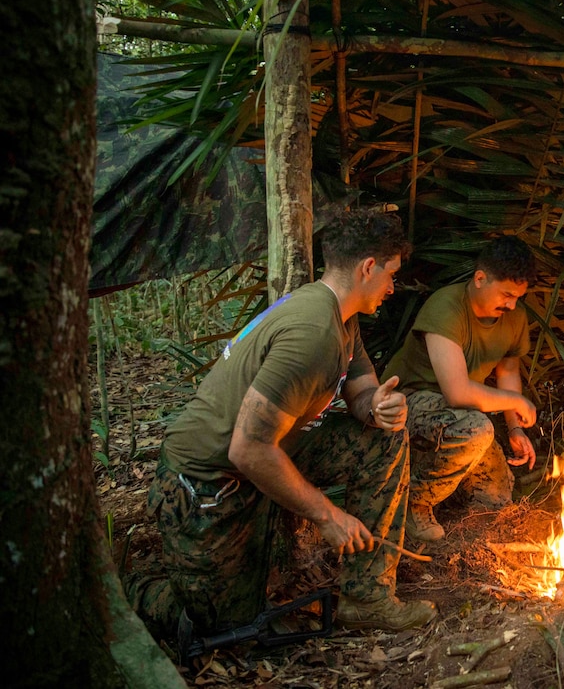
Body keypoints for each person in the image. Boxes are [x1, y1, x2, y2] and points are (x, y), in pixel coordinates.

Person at [127, 208, 437, 642]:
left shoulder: (341, 316)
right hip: (205, 481)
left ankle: (366, 598)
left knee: (382, 441)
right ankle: (125, 588)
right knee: (222, 629)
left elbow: (362, 392)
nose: (392, 287)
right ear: (368, 267)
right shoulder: (314, 332)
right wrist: (328, 515)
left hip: (259, 454)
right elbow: (248, 448)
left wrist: (378, 407)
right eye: (391, 275)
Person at [382, 236, 538, 542]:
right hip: (406, 401)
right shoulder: (446, 306)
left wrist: (515, 428)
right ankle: (412, 502)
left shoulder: (514, 317)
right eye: (507, 294)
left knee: (495, 498)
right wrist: (517, 400)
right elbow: (457, 392)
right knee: (476, 429)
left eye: (518, 296)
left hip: (457, 412)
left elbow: (507, 370)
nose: (512, 304)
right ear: (480, 278)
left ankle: (461, 530)